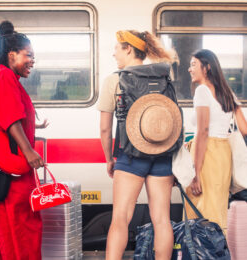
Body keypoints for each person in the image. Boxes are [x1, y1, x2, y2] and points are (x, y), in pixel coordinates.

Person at [98, 30, 178, 260]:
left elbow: (105, 128)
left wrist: (109, 158)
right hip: (162, 154)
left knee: (121, 217)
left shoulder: (115, 79)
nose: (114, 53)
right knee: (161, 218)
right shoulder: (164, 77)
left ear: (128, 49)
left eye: (116, 48)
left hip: (130, 155)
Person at [0, 21, 46, 260]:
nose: (32, 61)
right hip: (11, 172)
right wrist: (29, 151)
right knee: (20, 230)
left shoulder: (0, 77)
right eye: (29, 55)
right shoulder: (5, 77)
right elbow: (9, 117)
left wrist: (33, 125)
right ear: (12, 54)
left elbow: (1, 116)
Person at [186, 49, 247, 235]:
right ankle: (219, 250)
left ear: (207, 67)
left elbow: (203, 132)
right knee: (218, 210)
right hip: (222, 154)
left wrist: (195, 173)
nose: (190, 69)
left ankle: (202, 253)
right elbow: (244, 129)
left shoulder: (202, 91)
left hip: (207, 155)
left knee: (201, 212)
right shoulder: (226, 92)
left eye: (194, 64)